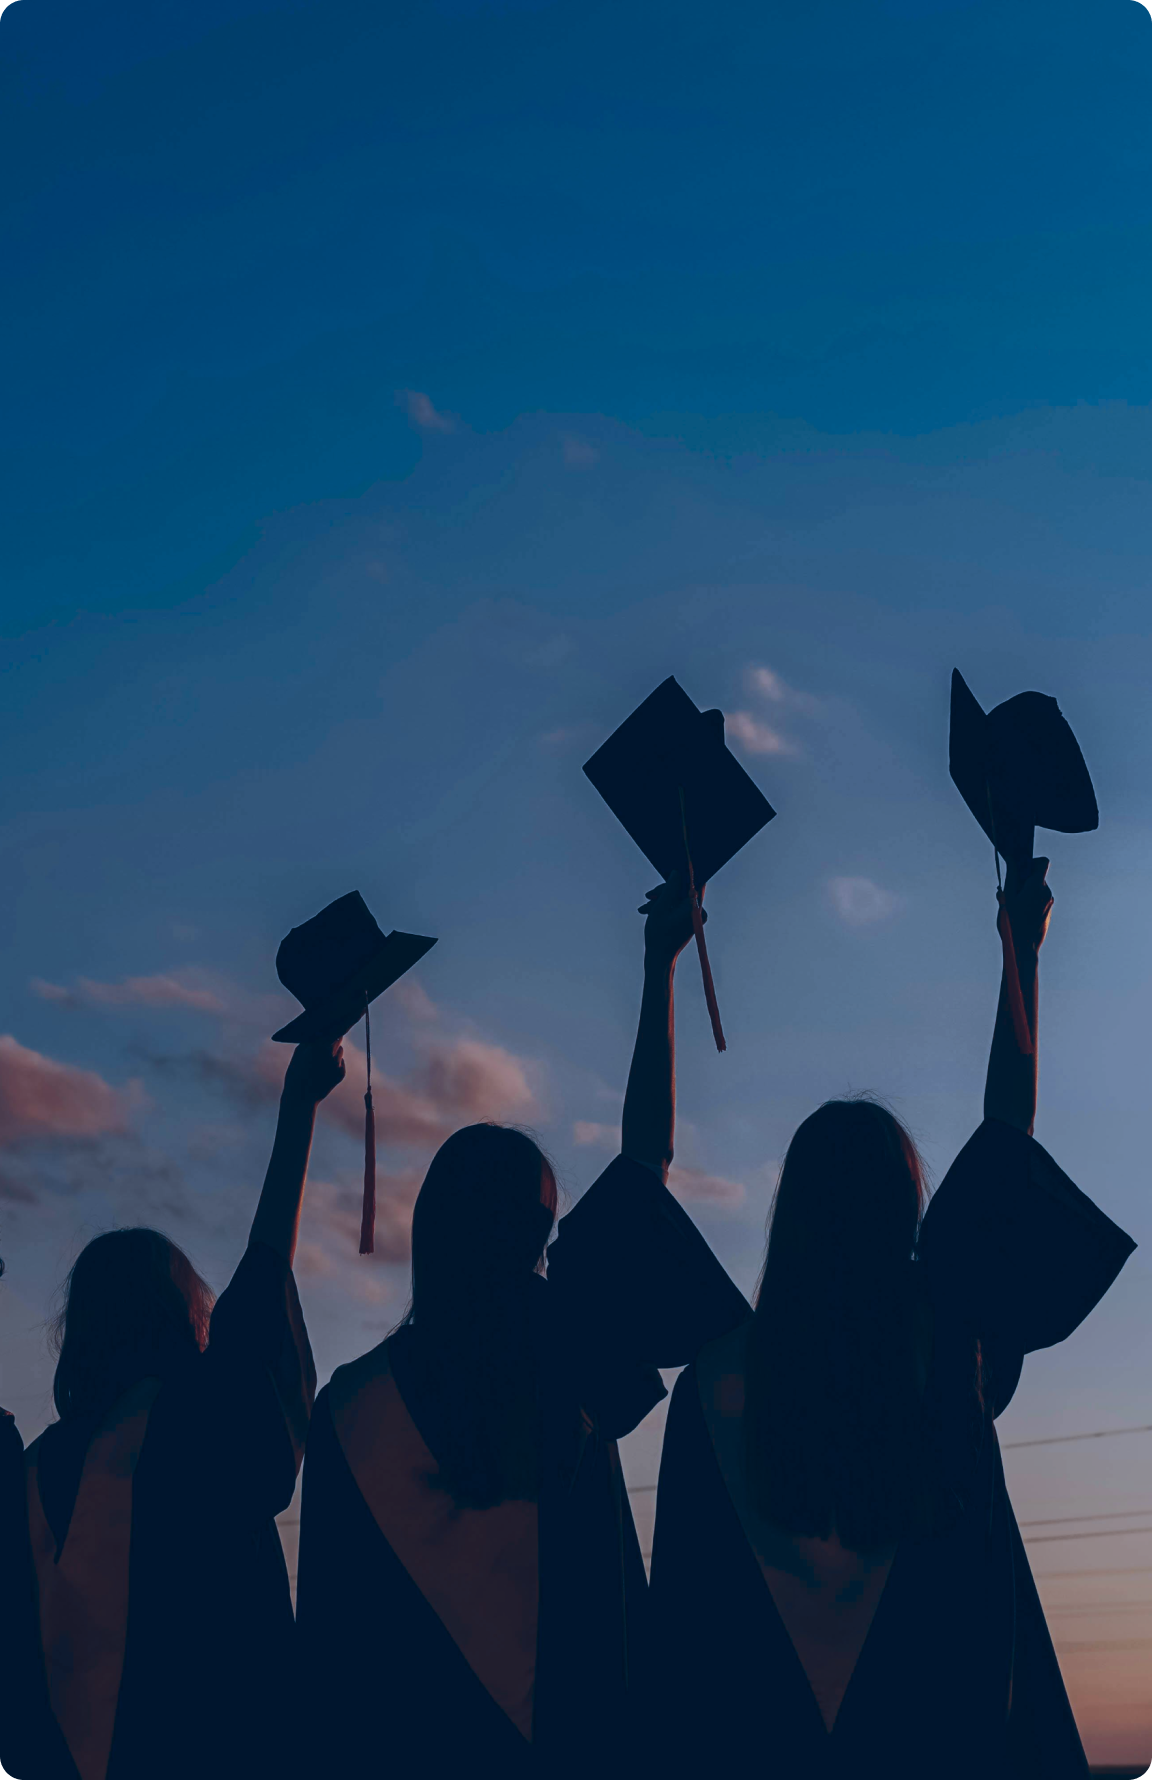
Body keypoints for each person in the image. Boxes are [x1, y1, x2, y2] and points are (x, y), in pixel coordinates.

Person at [647, 859, 1135, 1780]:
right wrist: (1020, 953)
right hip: (934, 1737)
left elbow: (684, 1620)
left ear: (791, 1214)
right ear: (904, 1213)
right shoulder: (945, 1344)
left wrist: (657, 968)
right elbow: (1006, 1146)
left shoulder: (712, 1383)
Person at [295, 877, 747, 1779]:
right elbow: (643, 1166)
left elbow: (329, 1654)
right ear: (540, 1234)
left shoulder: (350, 1409)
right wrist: (659, 969)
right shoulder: (569, 1340)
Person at [0, 1038, 344, 1780]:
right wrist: (297, 1110)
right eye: (201, 1308)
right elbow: (263, 1290)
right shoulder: (194, 1432)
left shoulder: (27, 1473)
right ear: (182, 1322)